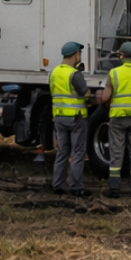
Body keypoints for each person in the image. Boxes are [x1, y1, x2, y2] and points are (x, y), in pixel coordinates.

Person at [100, 40, 131, 197]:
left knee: (116, 153)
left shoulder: (114, 73)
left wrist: (102, 99)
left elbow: (106, 96)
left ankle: (114, 190)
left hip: (118, 118)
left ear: (121, 56)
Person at [49, 41, 91, 197]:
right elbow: (83, 93)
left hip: (59, 118)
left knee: (62, 152)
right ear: (75, 55)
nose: (79, 56)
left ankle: (58, 185)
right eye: (79, 54)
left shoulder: (54, 72)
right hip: (76, 119)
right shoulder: (74, 74)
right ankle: (76, 187)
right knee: (78, 153)